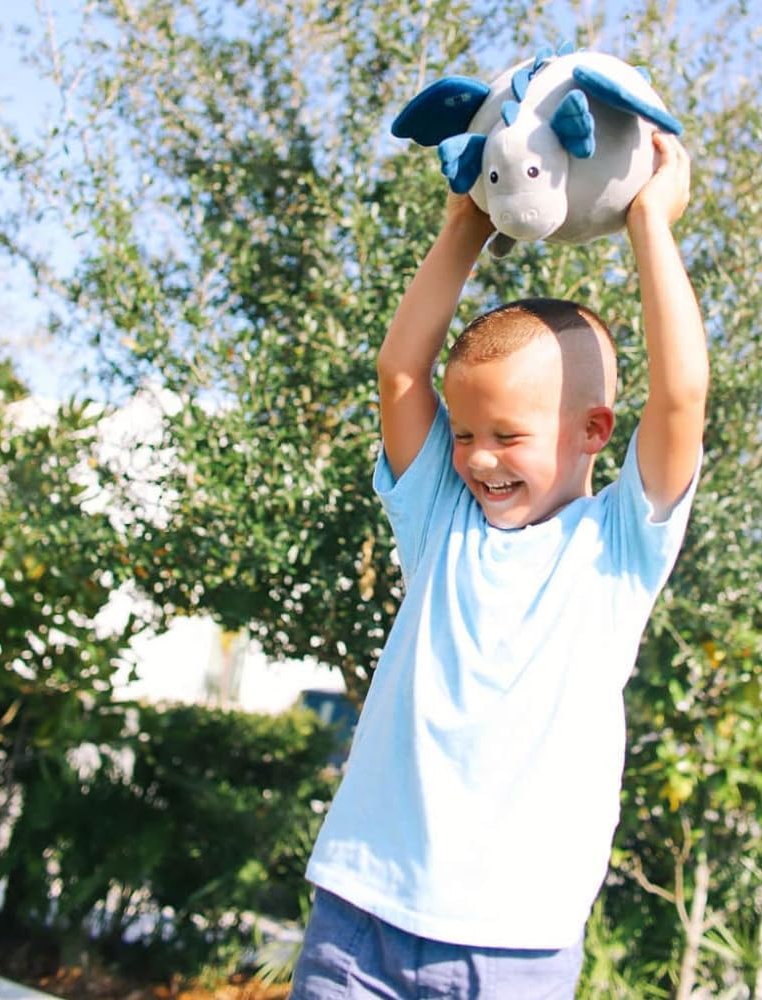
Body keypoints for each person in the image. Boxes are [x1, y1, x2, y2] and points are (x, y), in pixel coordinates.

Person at [292, 132, 709, 999]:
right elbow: (400, 373)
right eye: (465, 433)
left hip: (513, 948)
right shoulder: (444, 520)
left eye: (508, 436)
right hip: (360, 918)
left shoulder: (618, 546)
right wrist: (464, 227)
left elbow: (680, 397)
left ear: (593, 431)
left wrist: (651, 224)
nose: (478, 458)